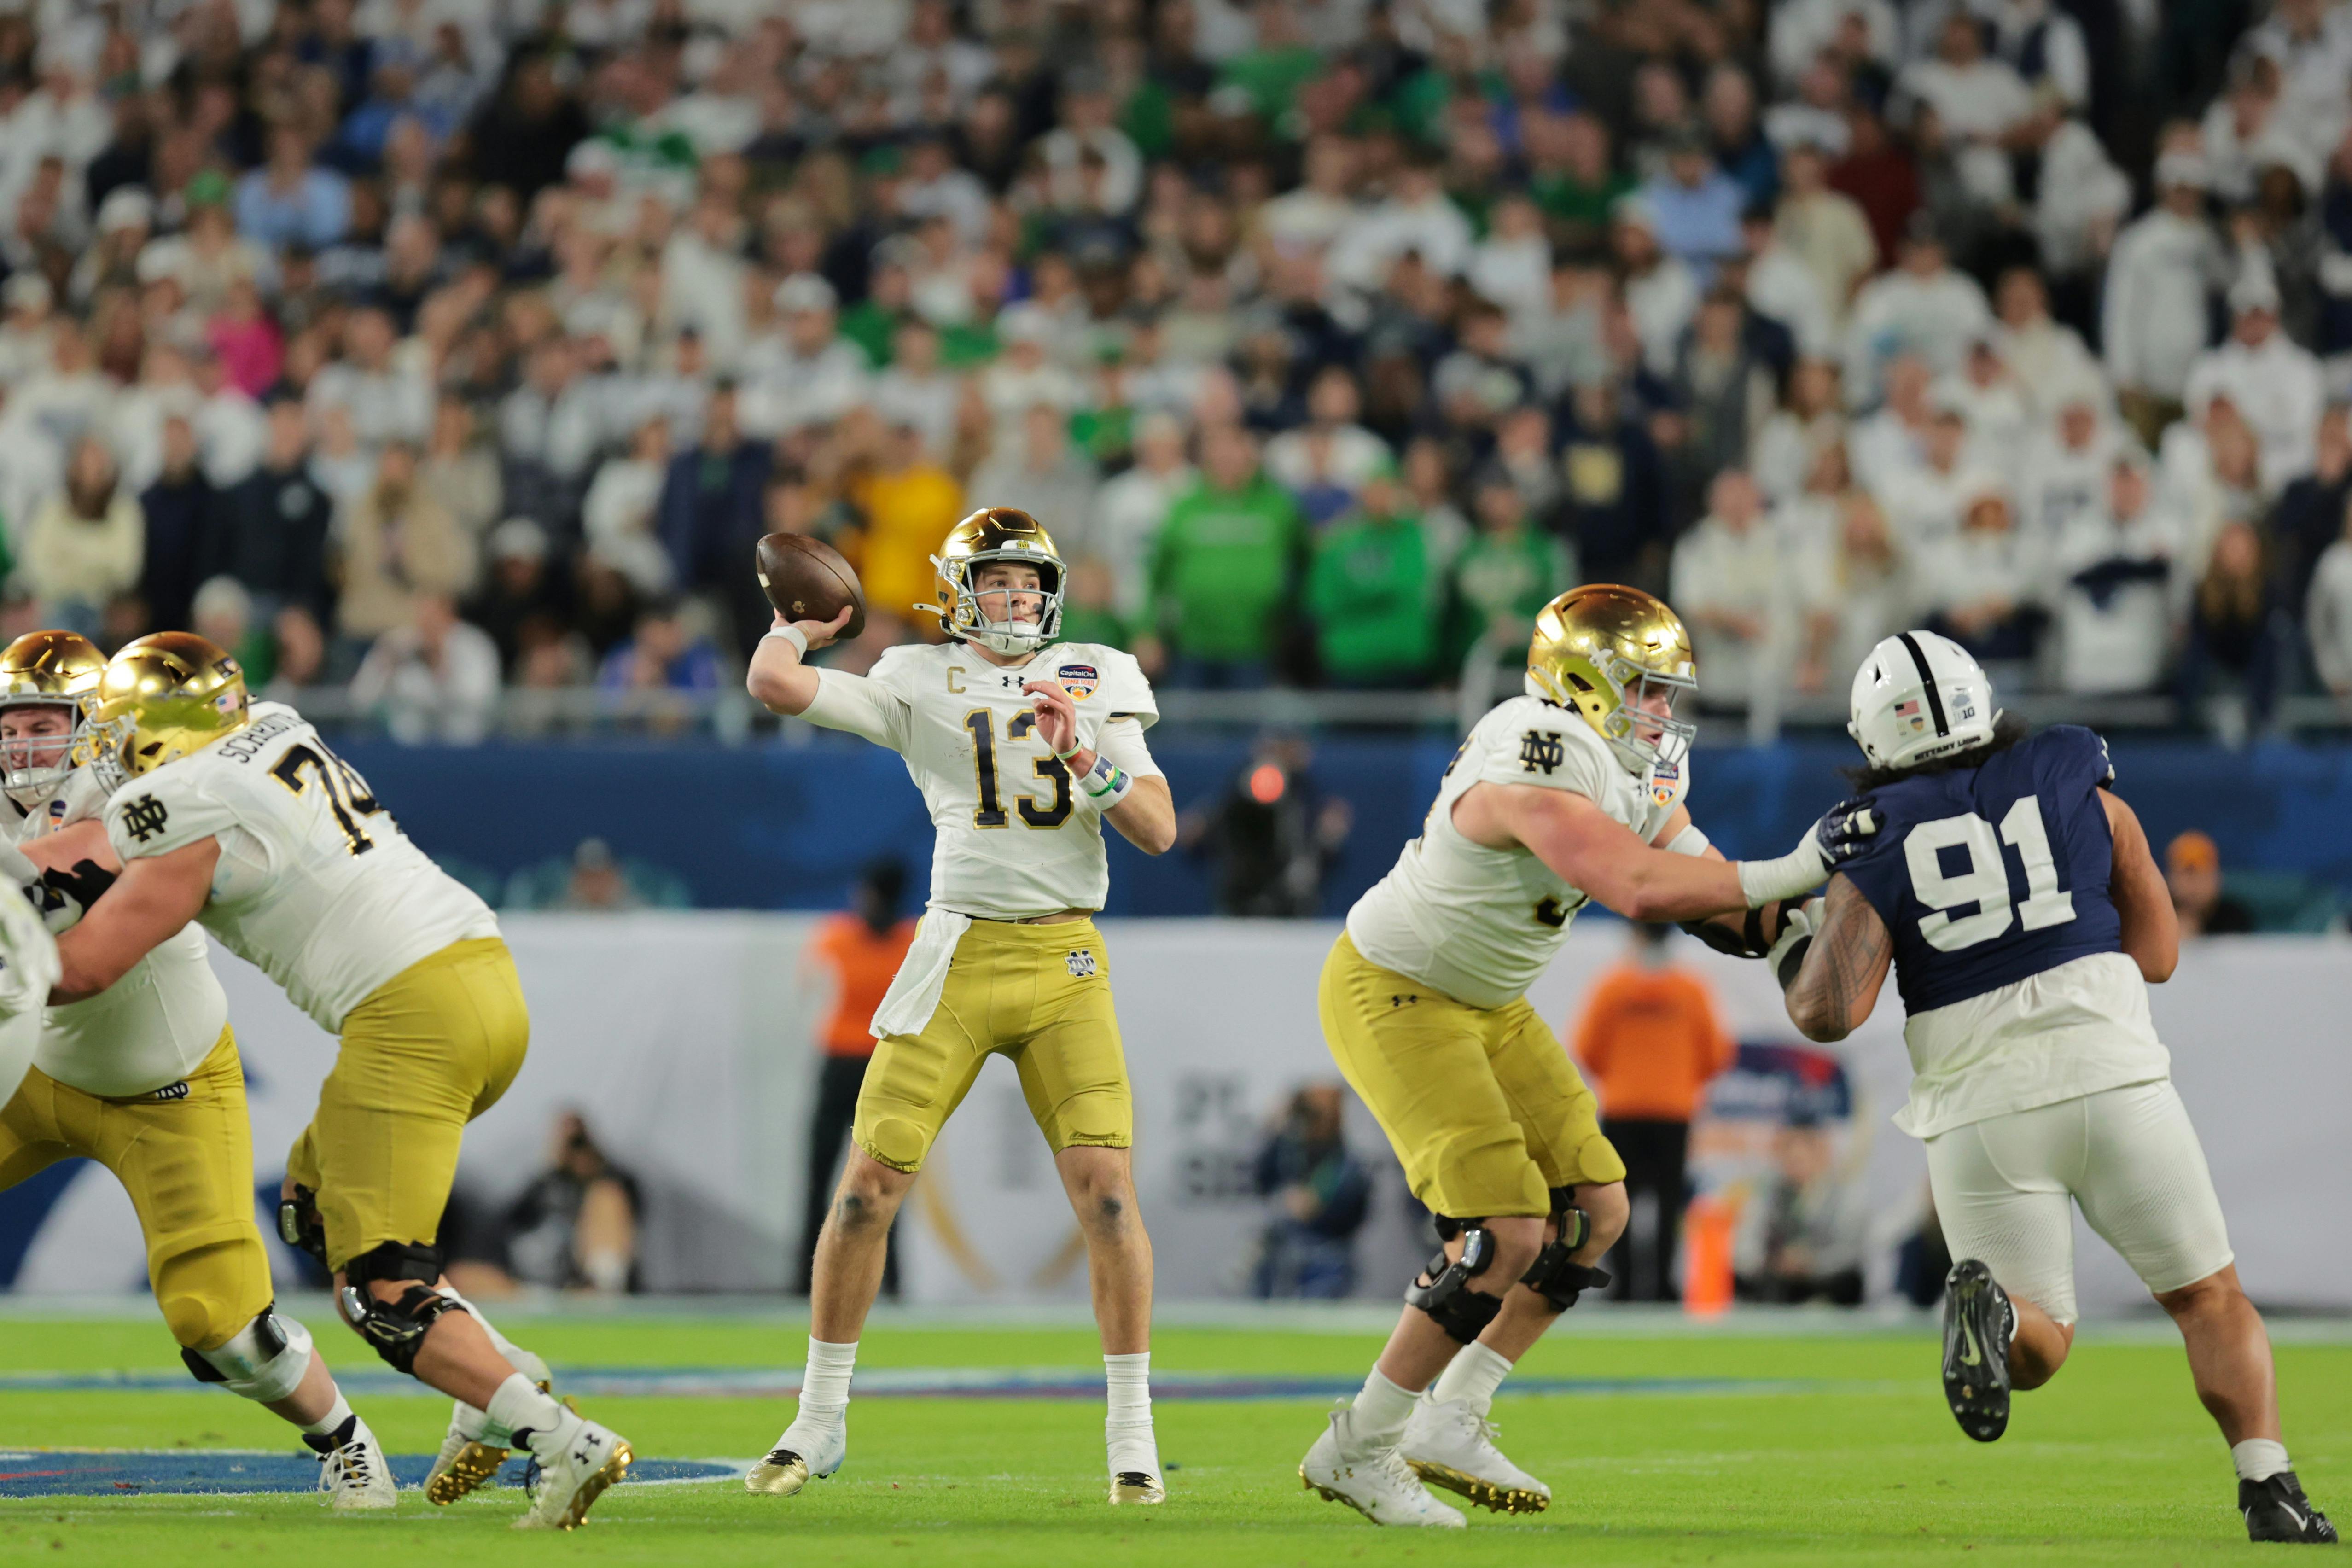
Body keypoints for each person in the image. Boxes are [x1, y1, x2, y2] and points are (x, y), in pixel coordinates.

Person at [1300, 585, 1870, 1527]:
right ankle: (1357, 1446)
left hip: (1487, 999)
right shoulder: (1536, 741)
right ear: (1583, 681)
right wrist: (1806, 862)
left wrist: (1789, 934)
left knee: (1593, 1212)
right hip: (1397, 987)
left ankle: (1456, 1415)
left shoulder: (1626, 766)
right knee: (1505, 1231)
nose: (1661, 713)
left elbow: (1705, 888)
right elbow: (1636, 884)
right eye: (1646, 691)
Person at [38, 633, 630, 1529]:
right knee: (313, 1207)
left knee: (379, 1292)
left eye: (122, 727)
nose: (108, 745)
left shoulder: (182, 802)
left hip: (410, 1015)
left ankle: (558, 1437)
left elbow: (82, 966)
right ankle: (494, 1386)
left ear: (163, 731)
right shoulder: (274, 722)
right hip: (481, 973)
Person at [1779, 630, 2335, 1544]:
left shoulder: (1875, 835)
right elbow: (2157, 954)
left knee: (2038, 1348)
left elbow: (1828, 1009)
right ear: (1979, 699)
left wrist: (1787, 948)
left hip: (1977, 1106)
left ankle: (1996, 1313)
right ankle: (2267, 1483)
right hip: (2110, 1071)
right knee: (2207, 1297)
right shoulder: (2073, 765)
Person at [744, 507, 1178, 1505]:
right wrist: (797, 624)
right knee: (862, 1193)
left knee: (1109, 1196)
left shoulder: (1097, 671)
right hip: (956, 946)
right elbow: (774, 684)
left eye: (1031, 581)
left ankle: (1131, 1436)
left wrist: (1085, 757)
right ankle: (818, 1417)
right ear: (958, 591)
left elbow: (1155, 826)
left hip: (1066, 955)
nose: (1018, 597)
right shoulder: (914, 675)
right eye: (998, 581)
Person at [0, 631, 393, 1508]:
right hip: (33, 1077)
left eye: (44, 723)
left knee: (220, 1326)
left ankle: (344, 1437)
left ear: (94, 728)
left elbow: (88, 864)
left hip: (164, 1086)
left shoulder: (144, 786)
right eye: (12, 725)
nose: (24, 745)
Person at [1570, 923, 1736, 1301]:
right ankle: (1661, 1286)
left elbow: (1586, 1047)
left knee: (1618, 1202)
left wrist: (1624, 1080)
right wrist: (1676, 1082)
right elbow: (1716, 1054)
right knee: (1668, 1200)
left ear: (1636, 937)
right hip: (1672, 1113)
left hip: (1624, 1110)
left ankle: (1625, 1288)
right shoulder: (1690, 990)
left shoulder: (1613, 987)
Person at [796, 859, 918, 1298]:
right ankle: (889, 1284)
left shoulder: (839, 936)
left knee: (838, 1173)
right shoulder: (910, 941)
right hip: (881, 1062)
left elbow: (806, 986)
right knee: (884, 1175)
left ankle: (806, 1281)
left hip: (852, 1060)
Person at [1250, 1084, 1373, 1299]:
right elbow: (1259, 1178)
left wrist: (1319, 1205)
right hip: (1281, 1251)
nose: (1318, 1117)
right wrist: (1275, 1129)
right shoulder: (1287, 1147)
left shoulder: (1347, 1160)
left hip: (1329, 1255)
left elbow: (1357, 1206)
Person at [502, 1112, 641, 1294]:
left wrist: (594, 1166)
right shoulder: (549, 1181)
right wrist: (549, 1167)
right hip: (552, 1260)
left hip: (597, 1262)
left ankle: (602, 1285)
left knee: (607, 1199)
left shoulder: (611, 1180)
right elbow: (514, 1218)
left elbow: (633, 1211)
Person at [2163, 830, 2256, 937]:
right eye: (2187, 875)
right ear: (2170, 878)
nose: (2194, 885)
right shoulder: (2159, 918)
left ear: (2216, 877)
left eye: (2201, 875)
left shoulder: (2235, 918)